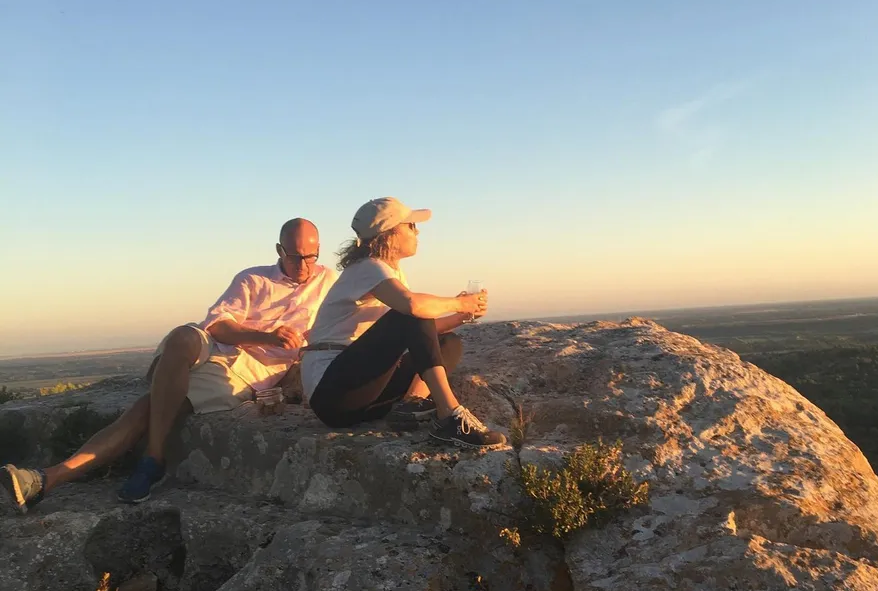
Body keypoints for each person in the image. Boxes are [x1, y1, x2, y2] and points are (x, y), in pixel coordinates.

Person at [1, 218, 337, 513]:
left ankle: (48, 479)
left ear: (319, 250)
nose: (303, 265)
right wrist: (266, 335)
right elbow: (218, 325)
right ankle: (152, 452)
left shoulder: (329, 285)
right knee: (182, 336)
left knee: (150, 407)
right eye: (295, 256)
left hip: (247, 373)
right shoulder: (253, 279)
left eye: (311, 256)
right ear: (279, 250)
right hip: (217, 347)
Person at [302, 197, 506, 448]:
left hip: (362, 393)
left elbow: (421, 332)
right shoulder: (366, 267)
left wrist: (461, 316)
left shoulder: (389, 272)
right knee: (410, 313)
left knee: (449, 343)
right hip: (332, 394)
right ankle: (450, 416)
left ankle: (410, 406)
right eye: (410, 225)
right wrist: (459, 303)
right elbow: (412, 308)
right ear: (389, 234)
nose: (416, 231)